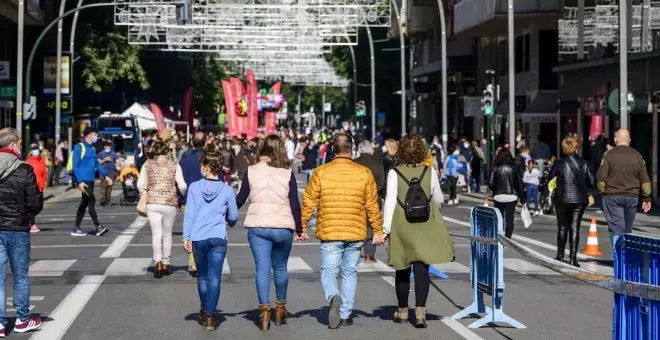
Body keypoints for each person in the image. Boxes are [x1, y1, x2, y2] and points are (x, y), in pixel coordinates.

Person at [300, 133, 384, 329]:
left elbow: (309, 201)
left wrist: (302, 226)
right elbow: (372, 205)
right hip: (355, 231)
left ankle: (333, 295)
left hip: (330, 230)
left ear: (332, 150)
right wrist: (377, 230)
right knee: (349, 272)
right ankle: (345, 314)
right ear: (351, 150)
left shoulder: (321, 172)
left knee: (329, 271)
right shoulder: (364, 173)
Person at [383, 134, 453, 328]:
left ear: (402, 150)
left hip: (402, 224)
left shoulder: (394, 173)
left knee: (402, 268)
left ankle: (403, 311)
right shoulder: (430, 172)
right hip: (425, 224)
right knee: (422, 268)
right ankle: (420, 313)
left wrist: (385, 229)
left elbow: (389, 202)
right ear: (422, 151)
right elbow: (438, 200)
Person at [235, 135, 302, 331]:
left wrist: (226, 214)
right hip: (282, 226)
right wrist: (298, 227)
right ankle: (280, 308)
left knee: (262, 269)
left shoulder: (252, 171)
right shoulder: (286, 173)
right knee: (280, 268)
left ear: (262, 148)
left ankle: (264, 311)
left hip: (258, 226)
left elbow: (240, 199)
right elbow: (294, 204)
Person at [183, 148, 238, 331]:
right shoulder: (227, 190)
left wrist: (186, 237)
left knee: (203, 277)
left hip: (198, 237)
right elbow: (234, 216)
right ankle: (210, 316)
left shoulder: (194, 187)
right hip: (218, 238)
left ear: (206, 167)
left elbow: (189, 215)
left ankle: (205, 309)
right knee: (215, 278)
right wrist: (229, 220)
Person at [0, 128, 43, 336]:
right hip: (18, 229)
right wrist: (27, 215)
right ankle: (22, 320)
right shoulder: (24, 169)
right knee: (20, 277)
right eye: (18, 143)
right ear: (12, 145)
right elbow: (34, 203)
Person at [138, 140, 188, 278]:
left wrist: (146, 193)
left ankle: (158, 263)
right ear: (167, 151)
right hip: (169, 202)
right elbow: (182, 185)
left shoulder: (147, 164)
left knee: (156, 234)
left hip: (152, 202)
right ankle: (166, 262)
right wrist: (181, 194)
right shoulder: (174, 165)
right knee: (167, 234)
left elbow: (140, 184)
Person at [597, 129, 652, 245]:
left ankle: (618, 258)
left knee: (616, 228)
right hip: (632, 197)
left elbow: (601, 178)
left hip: (612, 196)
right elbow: (645, 180)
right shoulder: (637, 156)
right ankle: (625, 257)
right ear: (629, 140)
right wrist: (646, 198)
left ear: (615, 140)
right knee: (627, 229)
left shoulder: (608, 155)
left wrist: (602, 194)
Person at [548, 136, 595, 266]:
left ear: (563, 148)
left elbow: (550, 180)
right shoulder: (584, 163)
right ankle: (573, 258)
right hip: (579, 199)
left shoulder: (558, 163)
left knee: (562, 227)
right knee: (575, 227)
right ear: (576, 147)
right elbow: (591, 182)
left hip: (562, 198)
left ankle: (560, 255)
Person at [72, 127, 113, 237]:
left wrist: (106, 176)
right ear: (89, 135)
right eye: (95, 134)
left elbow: (97, 165)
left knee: (84, 203)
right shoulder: (79, 148)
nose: (96, 137)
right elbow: (74, 166)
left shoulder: (93, 149)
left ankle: (76, 228)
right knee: (91, 201)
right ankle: (98, 227)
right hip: (84, 181)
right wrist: (79, 182)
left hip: (91, 180)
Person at [178, 132, 206, 277]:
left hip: (190, 200)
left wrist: (179, 200)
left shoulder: (184, 160)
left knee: (192, 233)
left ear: (192, 143)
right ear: (205, 143)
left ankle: (196, 265)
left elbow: (179, 182)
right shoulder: (211, 158)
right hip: (210, 200)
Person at [354, 140, 385, 264]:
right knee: (372, 226)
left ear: (360, 149)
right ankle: (369, 255)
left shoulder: (353, 163)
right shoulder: (377, 164)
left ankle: (354, 252)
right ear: (371, 150)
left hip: (356, 199)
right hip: (373, 198)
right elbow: (381, 183)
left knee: (356, 226)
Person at [489, 149, 525, 238]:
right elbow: (520, 184)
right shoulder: (514, 167)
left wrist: (495, 190)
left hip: (498, 196)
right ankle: (508, 238)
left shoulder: (495, 167)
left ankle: (499, 236)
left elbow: (490, 182)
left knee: (499, 217)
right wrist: (523, 198)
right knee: (510, 218)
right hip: (512, 196)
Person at [25, 144, 47, 233]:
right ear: (30, 151)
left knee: (40, 206)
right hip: (32, 187)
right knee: (33, 206)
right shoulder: (28, 161)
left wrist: (44, 184)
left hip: (40, 186)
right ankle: (32, 224)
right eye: (34, 149)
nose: (36, 150)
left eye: (37, 149)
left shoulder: (42, 160)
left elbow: (44, 174)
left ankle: (28, 219)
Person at [97, 141, 118, 206]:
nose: (108, 148)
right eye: (107, 147)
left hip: (112, 172)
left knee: (109, 187)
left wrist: (120, 167)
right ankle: (103, 200)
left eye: (109, 147)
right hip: (103, 172)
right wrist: (105, 160)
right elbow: (98, 163)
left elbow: (117, 161)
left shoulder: (113, 153)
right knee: (103, 186)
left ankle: (108, 200)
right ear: (104, 147)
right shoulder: (100, 153)